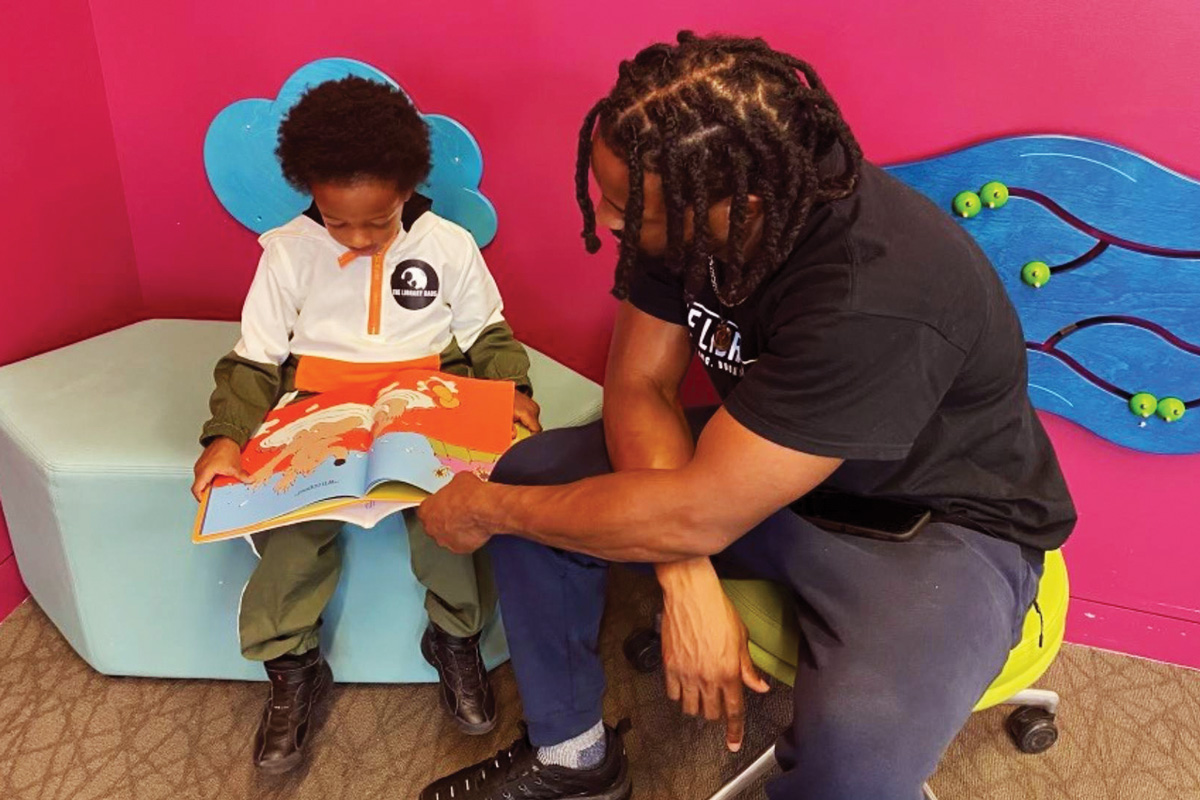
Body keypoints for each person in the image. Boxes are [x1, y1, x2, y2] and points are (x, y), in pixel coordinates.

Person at [417, 32, 1075, 800]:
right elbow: (641, 387)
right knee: (537, 474)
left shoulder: (871, 294)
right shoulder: (698, 202)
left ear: (741, 206)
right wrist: (686, 575)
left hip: (930, 523)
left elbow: (695, 509)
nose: (607, 219)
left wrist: (488, 509)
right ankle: (573, 758)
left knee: (861, 743)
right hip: (759, 466)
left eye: (627, 208)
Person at [190, 76, 541, 774]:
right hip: (318, 402)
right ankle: (293, 666)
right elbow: (254, 359)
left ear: (408, 188)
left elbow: (487, 335)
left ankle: (454, 638)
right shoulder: (287, 250)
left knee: (452, 517)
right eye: (338, 221)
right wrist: (225, 437)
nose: (357, 237)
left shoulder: (447, 245)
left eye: (376, 223)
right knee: (291, 528)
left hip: (426, 393)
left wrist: (512, 392)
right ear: (311, 193)